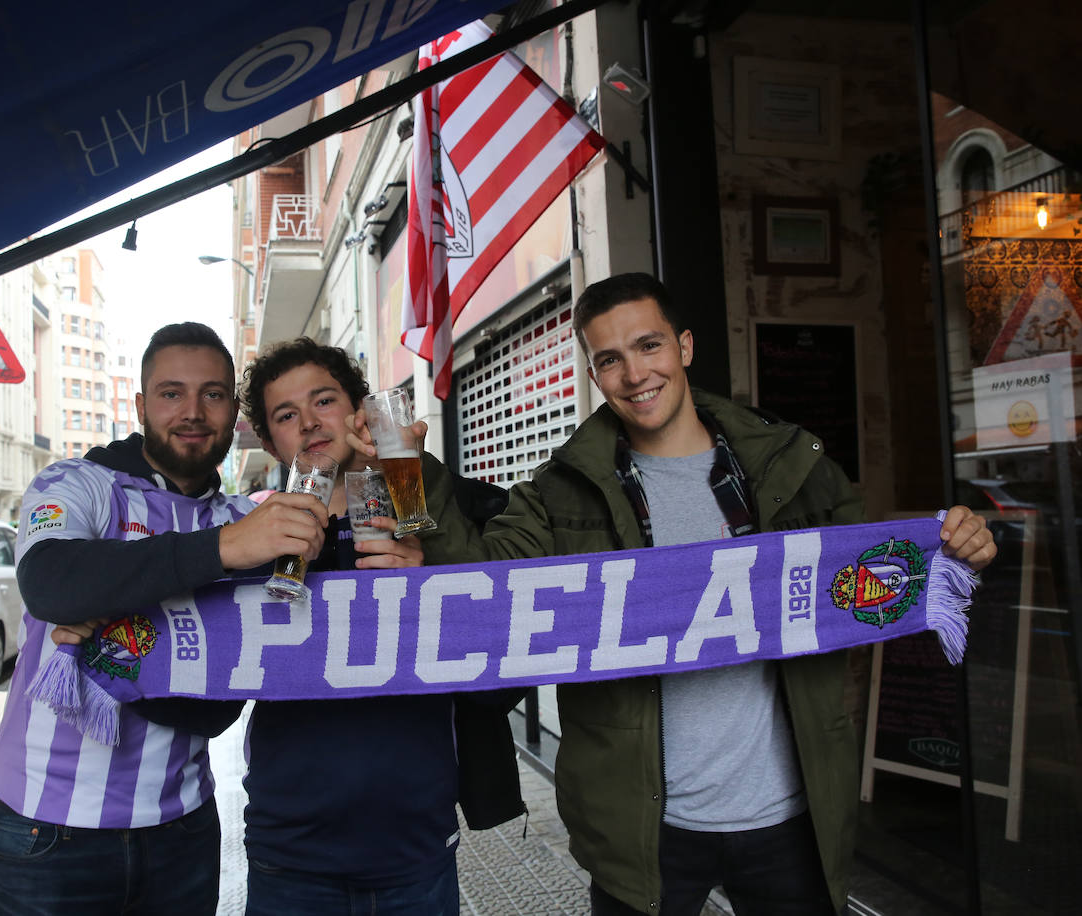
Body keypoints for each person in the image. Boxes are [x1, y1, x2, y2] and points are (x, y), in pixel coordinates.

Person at [349, 273, 997, 915]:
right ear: (594, 374)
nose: (634, 374)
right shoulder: (559, 491)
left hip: (790, 818)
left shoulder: (791, 468)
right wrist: (408, 474)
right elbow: (483, 585)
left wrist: (954, 543)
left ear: (684, 346)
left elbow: (870, 575)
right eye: (610, 359)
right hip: (641, 830)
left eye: (649, 346)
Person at [0, 322, 329, 916]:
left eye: (213, 394)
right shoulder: (76, 483)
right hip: (47, 829)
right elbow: (51, 584)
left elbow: (218, 707)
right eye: (171, 393)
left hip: (181, 829)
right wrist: (221, 553)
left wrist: (111, 642)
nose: (192, 412)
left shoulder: (244, 520)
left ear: (234, 412)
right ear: (141, 406)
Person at [235, 338, 524, 915]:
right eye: (286, 415)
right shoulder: (248, 533)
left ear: (359, 409)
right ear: (269, 441)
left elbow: (504, 641)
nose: (311, 423)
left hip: (415, 847)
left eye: (324, 400)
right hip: (288, 851)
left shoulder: (430, 505)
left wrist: (430, 576)